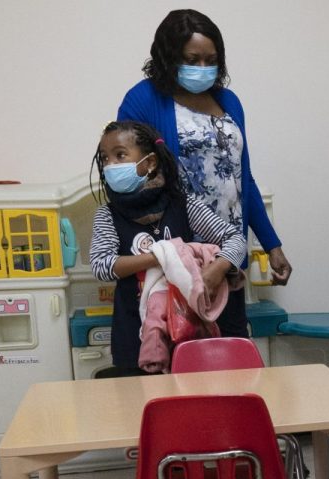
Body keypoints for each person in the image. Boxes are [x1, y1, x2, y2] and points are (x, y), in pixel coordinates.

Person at [117, 9, 289, 341]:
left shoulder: (229, 102)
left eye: (210, 60)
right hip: (179, 262)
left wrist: (272, 244)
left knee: (233, 357)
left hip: (228, 257)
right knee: (181, 363)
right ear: (168, 58)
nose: (202, 69)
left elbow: (242, 180)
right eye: (191, 59)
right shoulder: (143, 100)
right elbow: (133, 179)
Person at [87, 121, 243, 376]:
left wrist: (219, 267)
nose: (110, 165)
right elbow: (102, 266)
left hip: (187, 332)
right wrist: (162, 255)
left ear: (149, 163)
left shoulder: (183, 205)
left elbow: (233, 239)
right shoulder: (107, 215)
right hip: (134, 338)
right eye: (105, 159)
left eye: (120, 155)